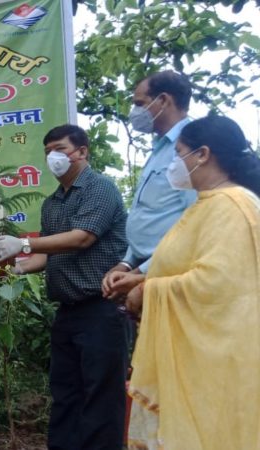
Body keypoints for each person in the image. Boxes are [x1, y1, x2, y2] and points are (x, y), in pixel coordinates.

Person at [103, 116, 260, 450]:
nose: (174, 164)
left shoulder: (232, 207)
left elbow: (217, 285)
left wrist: (146, 291)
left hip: (215, 363)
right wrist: (141, 277)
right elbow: (193, 267)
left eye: (179, 153)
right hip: (200, 360)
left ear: (202, 154)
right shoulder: (210, 204)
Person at [0, 125, 129, 450]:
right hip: (67, 312)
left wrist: (22, 244)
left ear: (82, 151)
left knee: (102, 398)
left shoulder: (100, 188)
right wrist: (15, 268)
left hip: (103, 308)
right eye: (48, 150)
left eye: (60, 148)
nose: (54, 156)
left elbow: (82, 238)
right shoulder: (52, 204)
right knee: (65, 394)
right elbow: (50, 256)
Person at [102, 71, 196, 296]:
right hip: (147, 267)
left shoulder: (192, 146)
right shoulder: (160, 148)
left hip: (174, 273)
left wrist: (140, 274)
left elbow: (194, 223)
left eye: (139, 103)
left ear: (163, 100)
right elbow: (151, 213)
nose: (134, 112)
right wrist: (127, 264)